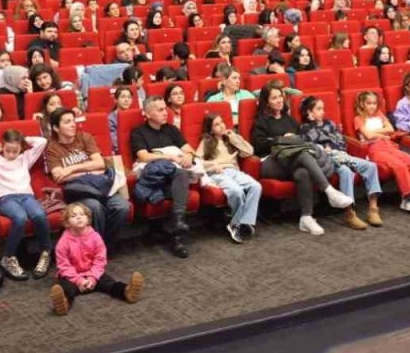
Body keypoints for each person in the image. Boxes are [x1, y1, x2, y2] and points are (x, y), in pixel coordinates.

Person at [250, 84, 353, 236]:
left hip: (291, 162)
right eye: (274, 98)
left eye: (280, 97)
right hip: (270, 162)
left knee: (303, 172)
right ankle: (329, 191)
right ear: (266, 102)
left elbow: (302, 140)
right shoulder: (261, 121)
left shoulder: (289, 120)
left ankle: (306, 217)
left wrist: (294, 140)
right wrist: (281, 139)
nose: (279, 100)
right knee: (302, 155)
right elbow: (258, 145)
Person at [48, 109, 132, 254]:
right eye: (67, 122)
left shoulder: (84, 137)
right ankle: (96, 249)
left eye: (73, 121)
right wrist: (89, 170)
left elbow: (100, 164)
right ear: (56, 128)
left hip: (100, 186)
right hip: (78, 191)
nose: (73, 125)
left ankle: (104, 246)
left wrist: (71, 169)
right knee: (95, 207)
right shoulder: (53, 148)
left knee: (122, 206)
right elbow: (59, 177)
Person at [0, 130, 51, 281]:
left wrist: (24, 139)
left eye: (15, 150)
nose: (11, 154)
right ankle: (8, 257)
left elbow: (42, 142)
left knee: (40, 215)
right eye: (8, 150)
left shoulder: (24, 159)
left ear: (20, 148)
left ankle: (45, 252)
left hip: (26, 196)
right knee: (19, 218)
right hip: (6, 198)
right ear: (2, 146)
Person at [300, 96, 383, 229]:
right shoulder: (304, 128)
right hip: (325, 161)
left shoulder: (330, 124)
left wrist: (334, 148)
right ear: (309, 113)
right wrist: (323, 148)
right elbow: (309, 148)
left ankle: (373, 209)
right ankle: (350, 213)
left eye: (323, 109)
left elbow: (341, 141)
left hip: (340, 155)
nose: (322, 112)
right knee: (345, 170)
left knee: (371, 166)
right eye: (318, 109)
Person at [129, 96, 197, 257]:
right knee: (180, 176)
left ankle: (176, 233)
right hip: (153, 176)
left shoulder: (172, 129)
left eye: (165, 108)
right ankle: (177, 227)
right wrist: (170, 157)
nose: (165, 113)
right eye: (159, 110)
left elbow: (189, 149)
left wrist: (188, 156)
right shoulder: (138, 132)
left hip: (172, 178)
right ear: (147, 113)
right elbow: (144, 156)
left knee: (178, 180)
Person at [49, 203, 145, 316]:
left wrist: (93, 277)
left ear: (88, 218)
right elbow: (63, 266)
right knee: (68, 289)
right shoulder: (63, 242)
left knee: (109, 283)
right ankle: (63, 305)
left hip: (93, 272)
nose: (79, 217)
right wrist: (79, 280)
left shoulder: (95, 237)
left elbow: (100, 259)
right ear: (67, 222)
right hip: (72, 276)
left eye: (82, 214)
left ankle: (127, 292)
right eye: (74, 216)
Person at [352, 91, 410, 213]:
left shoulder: (379, 114)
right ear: (362, 104)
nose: (372, 106)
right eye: (369, 103)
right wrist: (383, 133)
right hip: (375, 149)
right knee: (399, 166)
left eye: (374, 103)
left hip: (390, 146)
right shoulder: (359, 119)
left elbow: (390, 129)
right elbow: (368, 135)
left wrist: (378, 133)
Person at [197, 113, 263, 242]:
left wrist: (233, 137)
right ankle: (236, 224)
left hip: (233, 171)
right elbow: (198, 162)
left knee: (256, 186)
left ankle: (242, 222)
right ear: (210, 129)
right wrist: (212, 165)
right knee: (236, 191)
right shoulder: (206, 142)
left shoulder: (231, 139)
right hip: (218, 173)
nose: (221, 126)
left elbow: (249, 151)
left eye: (222, 122)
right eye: (216, 124)